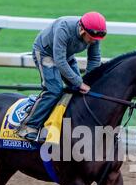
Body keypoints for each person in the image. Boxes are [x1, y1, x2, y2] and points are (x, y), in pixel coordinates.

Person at [17, 11, 107, 142]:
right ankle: (29, 126)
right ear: (82, 30)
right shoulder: (64, 28)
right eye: (91, 38)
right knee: (54, 90)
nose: (94, 41)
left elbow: (94, 58)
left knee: (77, 90)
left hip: (66, 56)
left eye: (96, 39)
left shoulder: (95, 34)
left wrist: (88, 81)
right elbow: (59, 61)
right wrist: (79, 82)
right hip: (45, 53)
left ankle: (55, 124)